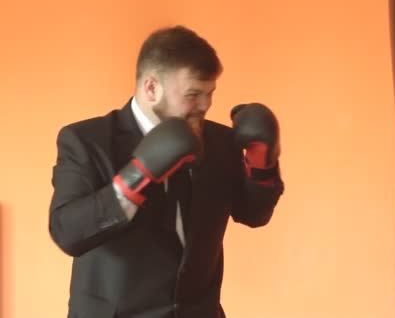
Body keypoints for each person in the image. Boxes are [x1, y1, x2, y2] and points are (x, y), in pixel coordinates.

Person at [48, 25, 285, 318]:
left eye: (210, 93)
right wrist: (137, 177)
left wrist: (263, 163)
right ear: (151, 88)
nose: (206, 105)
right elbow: (68, 232)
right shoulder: (87, 141)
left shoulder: (220, 142)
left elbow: (254, 214)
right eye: (193, 94)